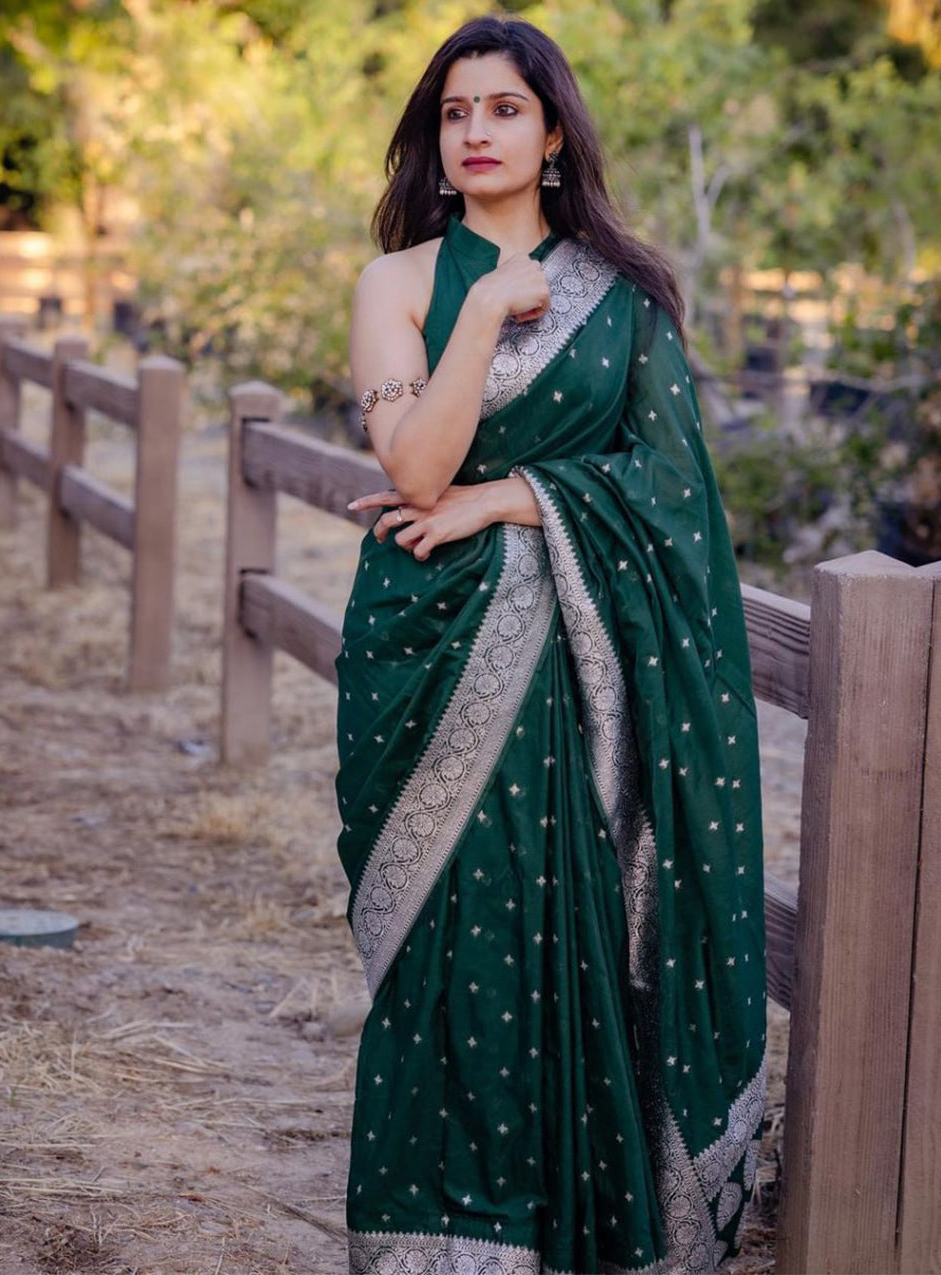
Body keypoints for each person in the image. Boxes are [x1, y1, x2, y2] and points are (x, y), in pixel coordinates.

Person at [334, 15, 767, 1274]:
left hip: (578, 680)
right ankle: (443, 1244)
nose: (475, 132)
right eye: (455, 112)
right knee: (445, 954)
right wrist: (485, 317)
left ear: (554, 132)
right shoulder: (398, 284)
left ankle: (566, 1234)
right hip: (426, 656)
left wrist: (509, 497)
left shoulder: (626, 300)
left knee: (555, 943)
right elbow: (412, 464)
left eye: (503, 109)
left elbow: (674, 495)